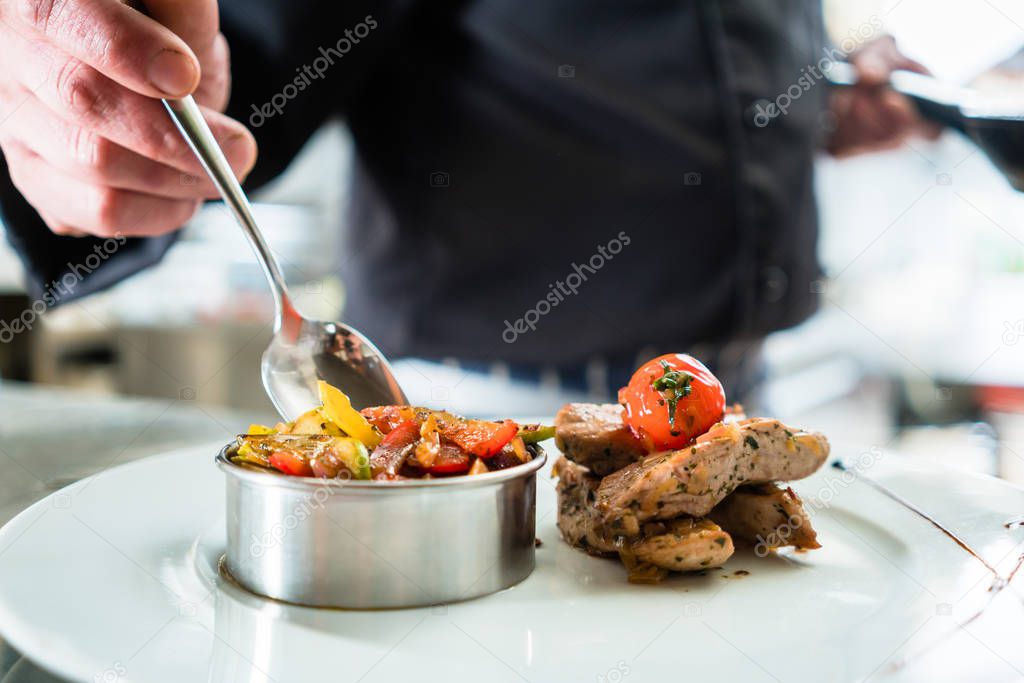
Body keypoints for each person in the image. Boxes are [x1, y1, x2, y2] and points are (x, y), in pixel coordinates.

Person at [0, 0, 937, 408]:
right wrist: (67, 104)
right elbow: (213, 74)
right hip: (482, 403)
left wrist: (814, 94)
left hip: (736, 388)